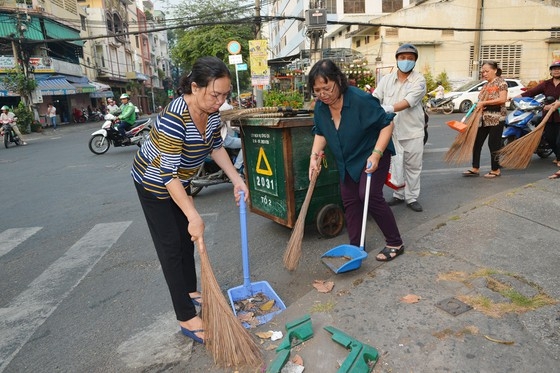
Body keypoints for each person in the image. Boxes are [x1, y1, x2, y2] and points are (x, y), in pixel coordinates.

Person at [131, 56, 248, 344]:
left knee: (186, 240)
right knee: (171, 245)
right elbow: (167, 175)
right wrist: (193, 215)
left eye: (224, 95)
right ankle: (185, 315)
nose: (219, 101)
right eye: (214, 94)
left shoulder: (210, 114)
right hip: (154, 182)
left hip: (179, 181)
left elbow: (216, 148)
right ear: (195, 88)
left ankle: (189, 290)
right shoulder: (174, 118)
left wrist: (237, 180)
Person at [308, 59, 405, 262]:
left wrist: (376, 154)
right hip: (347, 159)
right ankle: (355, 247)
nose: (322, 94)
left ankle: (395, 242)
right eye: (317, 90)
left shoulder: (360, 99)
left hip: (371, 154)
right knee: (350, 201)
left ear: (338, 80)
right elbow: (321, 132)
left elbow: (387, 125)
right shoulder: (321, 107)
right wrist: (314, 157)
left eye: (326, 88)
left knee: (369, 195)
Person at [373, 43, 427, 212]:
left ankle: (411, 198)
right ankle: (398, 194)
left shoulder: (419, 80)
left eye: (410, 59)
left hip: (413, 132)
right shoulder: (386, 79)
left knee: (413, 166)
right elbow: (375, 97)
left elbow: (409, 101)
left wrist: (388, 108)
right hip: (391, 132)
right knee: (396, 165)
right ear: (397, 59)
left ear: (415, 62)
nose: (406, 61)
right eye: (402, 58)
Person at [462, 60, 508, 179]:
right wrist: (480, 100)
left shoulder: (501, 83)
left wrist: (484, 102)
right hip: (483, 118)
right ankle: (475, 168)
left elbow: (502, 99)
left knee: (493, 144)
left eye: (487, 71)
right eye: (483, 72)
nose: (484, 74)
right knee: (476, 142)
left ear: (495, 71)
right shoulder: (486, 85)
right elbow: (480, 99)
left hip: (497, 118)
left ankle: (495, 169)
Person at [519, 61, 560, 167]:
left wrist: (557, 104)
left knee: (559, 141)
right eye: (554, 69)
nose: (556, 70)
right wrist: (515, 97)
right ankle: (558, 156)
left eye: (558, 68)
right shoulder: (546, 84)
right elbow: (531, 92)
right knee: (550, 139)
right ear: (551, 71)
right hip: (548, 116)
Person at [219, 100, 244, 173]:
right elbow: (234, 127)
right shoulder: (225, 110)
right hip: (225, 140)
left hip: (225, 138)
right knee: (246, 143)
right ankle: (237, 167)